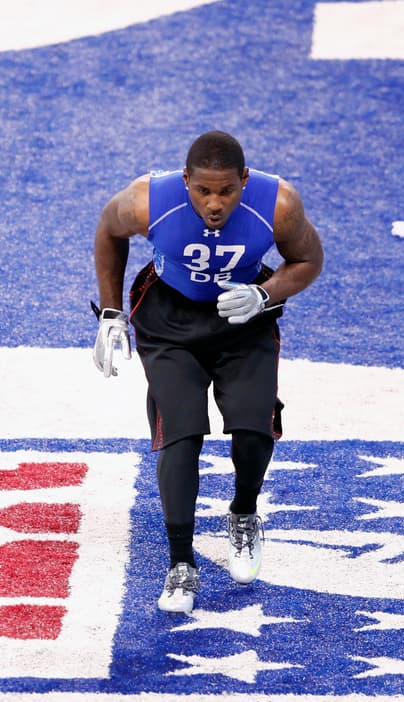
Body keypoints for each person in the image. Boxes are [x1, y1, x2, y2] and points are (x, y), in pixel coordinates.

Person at [92, 130, 323, 614]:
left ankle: (243, 514)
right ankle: (180, 562)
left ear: (244, 180)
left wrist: (266, 294)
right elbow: (108, 232)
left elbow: (307, 260)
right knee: (181, 433)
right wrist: (112, 313)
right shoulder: (146, 200)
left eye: (226, 191)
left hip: (244, 318)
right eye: (202, 191)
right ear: (185, 181)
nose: (214, 203)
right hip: (169, 321)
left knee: (255, 426)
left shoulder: (278, 203)